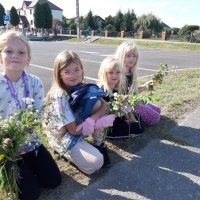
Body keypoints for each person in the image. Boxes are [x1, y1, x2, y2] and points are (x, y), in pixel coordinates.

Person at [0, 30, 61, 200]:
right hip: (7, 148)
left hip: (31, 143)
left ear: (28, 59)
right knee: (29, 195)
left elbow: (39, 111)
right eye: (8, 51)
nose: (15, 56)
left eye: (21, 52)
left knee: (53, 181)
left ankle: (28, 165)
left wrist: (28, 126)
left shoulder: (35, 82)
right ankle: (10, 168)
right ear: (0, 56)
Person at [45, 50, 115, 174]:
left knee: (96, 103)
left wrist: (92, 120)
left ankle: (98, 143)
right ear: (59, 74)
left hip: (78, 128)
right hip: (63, 135)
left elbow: (104, 104)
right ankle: (58, 147)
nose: (73, 75)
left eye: (76, 70)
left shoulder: (82, 87)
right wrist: (96, 122)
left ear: (82, 70)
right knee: (96, 162)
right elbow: (72, 131)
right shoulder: (59, 96)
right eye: (67, 72)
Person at [98, 56, 145, 139]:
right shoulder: (103, 91)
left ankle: (130, 124)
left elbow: (125, 109)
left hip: (118, 118)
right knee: (140, 128)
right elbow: (105, 115)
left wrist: (134, 121)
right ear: (104, 73)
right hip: (109, 126)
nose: (114, 76)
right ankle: (112, 135)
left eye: (118, 72)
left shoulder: (118, 88)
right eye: (110, 72)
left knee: (139, 119)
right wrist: (124, 109)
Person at [115, 41, 161, 125]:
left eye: (134, 56)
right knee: (155, 118)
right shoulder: (117, 73)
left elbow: (132, 92)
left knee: (158, 109)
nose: (132, 59)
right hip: (125, 106)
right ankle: (132, 118)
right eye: (128, 55)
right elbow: (120, 99)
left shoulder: (130, 71)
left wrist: (145, 86)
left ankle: (137, 115)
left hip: (130, 101)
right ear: (121, 56)